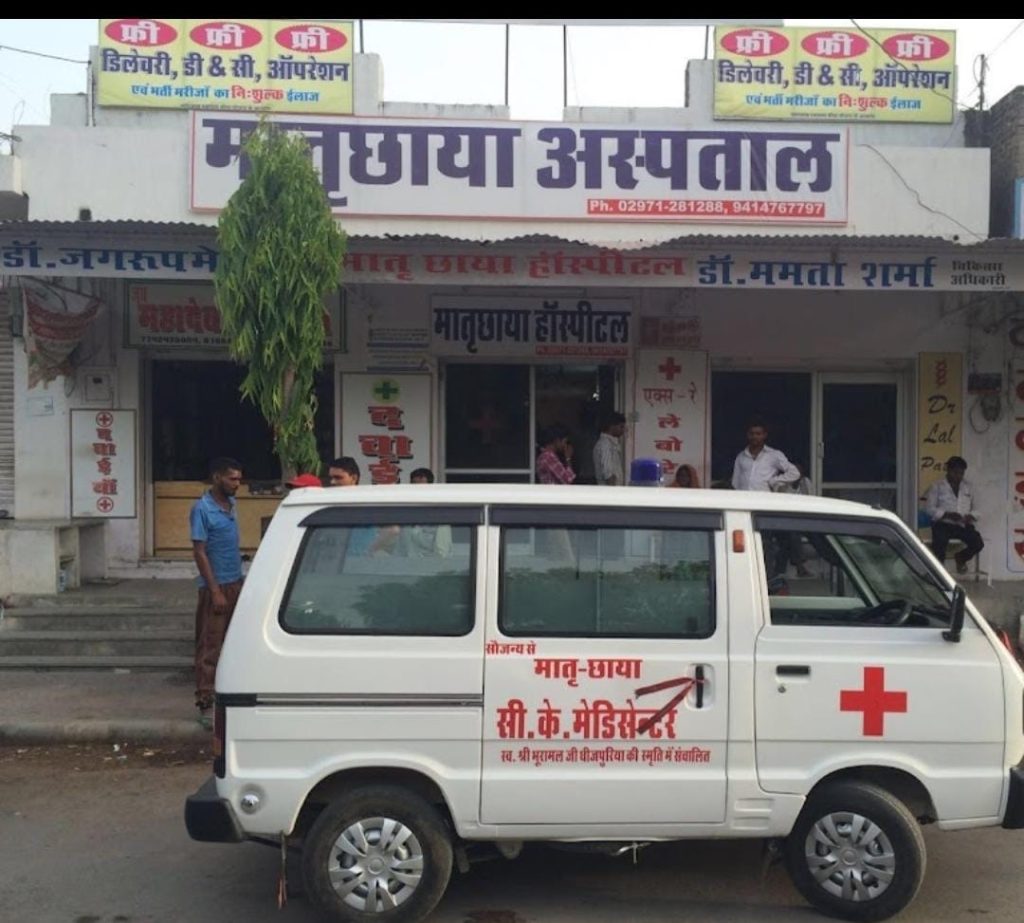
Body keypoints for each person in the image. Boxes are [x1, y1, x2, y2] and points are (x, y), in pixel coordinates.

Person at [190, 457, 244, 725]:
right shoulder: (202, 508)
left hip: (236, 582)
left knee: (235, 644)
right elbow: (199, 552)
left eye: (239, 479)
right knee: (210, 646)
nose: (237, 484)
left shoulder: (231, 505)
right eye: (232, 479)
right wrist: (215, 591)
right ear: (217, 478)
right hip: (216, 586)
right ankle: (206, 703)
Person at [925, 456, 984, 574]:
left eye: (961, 473)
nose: (958, 476)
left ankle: (961, 558)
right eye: (955, 472)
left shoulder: (968, 487)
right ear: (948, 470)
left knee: (978, 543)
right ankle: (939, 572)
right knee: (939, 544)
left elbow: (978, 509)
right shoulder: (937, 486)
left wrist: (970, 516)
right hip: (943, 524)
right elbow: (929, 509)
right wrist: (947, 515)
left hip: (962, 524)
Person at [731, 420, 800, 492]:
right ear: (747, 435)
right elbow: (735, 483)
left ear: (764, 435)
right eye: (751, 434)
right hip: (744, 497)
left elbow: (794, 473)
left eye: (758, 434)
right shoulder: (741, 456)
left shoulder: (774, 455)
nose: (754, 436)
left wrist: (774, 481)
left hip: (765, 497)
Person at [401, 468, 452, 557]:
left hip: (428, 565)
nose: (417, 492)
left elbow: (441, 554)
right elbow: (399, 549)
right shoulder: (404, 514)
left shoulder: (440, 517)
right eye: (414, 487)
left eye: (422, 488)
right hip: (404, 565)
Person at [593, 412, 626, 486]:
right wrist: (612, 491)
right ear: (612, 426)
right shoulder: (605, 445)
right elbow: (608, 474)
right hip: (609, 490)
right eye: (621, 427)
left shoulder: (610, 443)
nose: (623, 430)